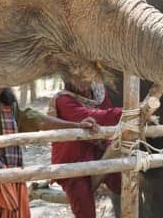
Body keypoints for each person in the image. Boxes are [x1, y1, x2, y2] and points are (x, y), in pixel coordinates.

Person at [0, 80, 98, 218]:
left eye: (1, 79)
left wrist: (76, 125)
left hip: (9, 194)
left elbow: (37, 119)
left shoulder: (10, 109)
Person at [48, 74, 123, 218]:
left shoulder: (99, 95)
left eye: (85, 76)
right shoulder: (63, 100)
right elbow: (98, 116)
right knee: (85, 213)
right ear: (68, 80)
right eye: (75, 77)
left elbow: (106, 115)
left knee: (124, 184)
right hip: (72, 162)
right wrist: (129, 112)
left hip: (100, 151)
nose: (82, 81)